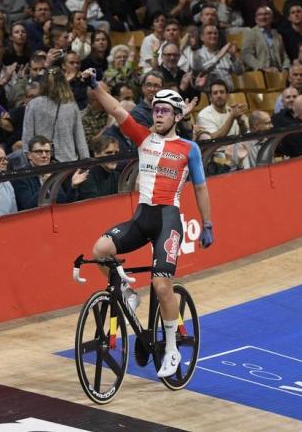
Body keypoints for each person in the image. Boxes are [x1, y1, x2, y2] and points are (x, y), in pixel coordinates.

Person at [81, 67, 213, 378]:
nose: (158, 115)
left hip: (168, 220)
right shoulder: (143, 139)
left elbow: (201, 187)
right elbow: (115, 108)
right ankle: (126, 289)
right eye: (155, 110)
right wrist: (95, 85)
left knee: (162, 284)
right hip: (143, 216)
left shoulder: (189, 149)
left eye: (165, 111)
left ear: (177, 116)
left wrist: (208, 223)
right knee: (100, 249)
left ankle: (171, 349)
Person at [22, 66, 89, 162]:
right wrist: (85, 163)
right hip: (68, 163)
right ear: (64, 83)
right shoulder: (71, 106)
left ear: (43, 83)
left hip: (41, 162)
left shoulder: (33, 105)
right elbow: (80, 139)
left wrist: (28, 162)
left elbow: (27, 138)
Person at [10, 135, 88, 209]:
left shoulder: (53, 171)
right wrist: (45, 185)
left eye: (47, 152)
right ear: (29, 155)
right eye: (39, 152)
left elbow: (63, 203)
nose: (44, 155)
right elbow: (28, 207)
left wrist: (73, 187)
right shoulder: (20, 177)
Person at [78, 135, 121, 200]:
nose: (114, 157)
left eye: (116, 153)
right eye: (109, 153)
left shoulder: (117, 175)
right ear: (96, 154)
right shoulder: (87, 177)